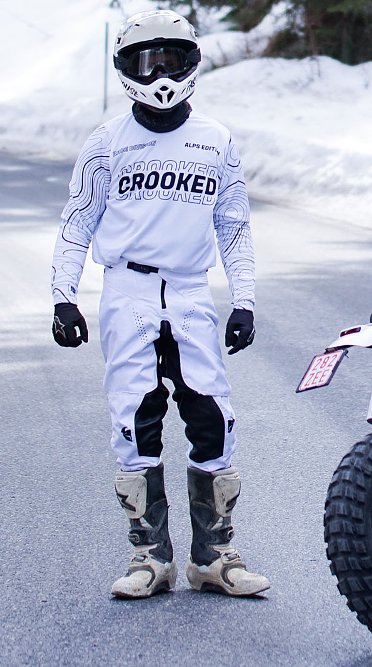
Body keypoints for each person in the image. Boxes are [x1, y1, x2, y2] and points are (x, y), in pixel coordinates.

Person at [50, 9, 269, 598]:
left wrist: (244, 300)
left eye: (172, 59)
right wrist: (62, 296)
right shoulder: (106, 144)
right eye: (147, 62)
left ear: (192, 62)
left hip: (192, 293)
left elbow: (235, 227)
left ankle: (214, 556)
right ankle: (150, 558)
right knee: (133, 422)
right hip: (129, 294)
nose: (160, 74)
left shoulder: (216, 143)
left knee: (213, 419)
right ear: (126, 69)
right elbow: (77, 223)